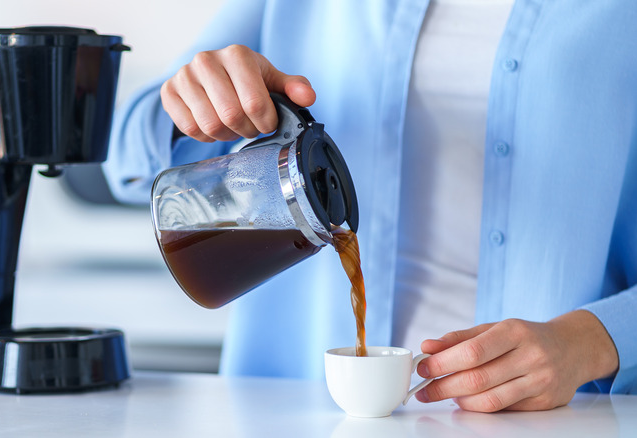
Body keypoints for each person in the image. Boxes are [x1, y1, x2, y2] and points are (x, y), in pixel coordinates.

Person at [103, 0, 637, 412]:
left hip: (554, 418)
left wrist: (594, 339)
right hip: (294, 411)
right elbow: (124, 152)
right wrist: (191, 103)